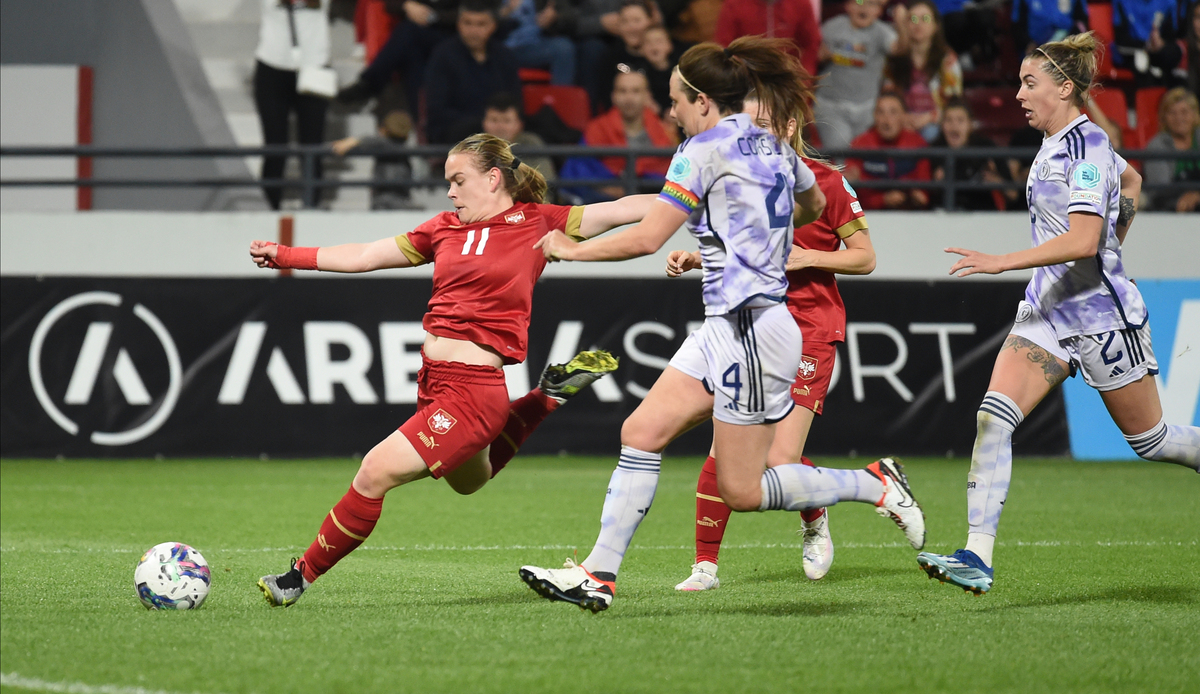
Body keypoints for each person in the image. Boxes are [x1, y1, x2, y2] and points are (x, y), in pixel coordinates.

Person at [518, 37, 925, 613]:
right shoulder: (774, 148)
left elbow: (646, 237)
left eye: (676, 99)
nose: (671, 111)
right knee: (640, 432)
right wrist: (746, 244)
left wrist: (568, 249)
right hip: (725, 327)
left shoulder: (701, 149)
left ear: (703, 100)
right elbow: (808, 208)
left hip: (754, 333)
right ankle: (598, 575)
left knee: (744, 489)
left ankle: (875, 484)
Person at [252, 133, 657, 607]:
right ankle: (544, 398)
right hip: (433, 382)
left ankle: (297, 577)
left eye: (457, 180)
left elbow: (629, 207)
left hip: (474, 392)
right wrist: (287, 256)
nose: (450, 192)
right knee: (470, 482)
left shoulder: (540, 222)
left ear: (491, 179)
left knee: (373, 472)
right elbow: (364, 256)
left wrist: (698, 192)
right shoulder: (443, 228)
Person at [916, 32, 1200, 597]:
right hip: (1046, 312)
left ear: (1064, 88)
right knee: (994, 417)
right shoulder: (1054, 143)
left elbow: (1083, 238)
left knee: (1152, 441)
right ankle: (976, 555)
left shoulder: (1087, 146)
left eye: (1030, 83)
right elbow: (1133, 180)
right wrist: (1115, 238)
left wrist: (1007, 260)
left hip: (1101, 318)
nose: (1019, 95)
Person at [670, 96, 877, 591]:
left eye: (761, 124)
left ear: (787, 125)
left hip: (809, 327)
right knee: (725, 445)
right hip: (750, 324)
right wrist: (698, 259)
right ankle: (706, 567)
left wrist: (807, 259)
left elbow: (866, 258)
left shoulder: (825, 182)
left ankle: (815, 515)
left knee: (777, 458)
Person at [253, 0, 332, 210]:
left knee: (312, 147)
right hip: (272, 65)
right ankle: (269, 209)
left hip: (314, 66)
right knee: (275, 146)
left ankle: (312, 207)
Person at [561, 68, 675, 201]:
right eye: (623, 91)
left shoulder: (665, 132)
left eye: (636, 91)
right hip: (604, 204)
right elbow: (579, 171)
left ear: (647, 96)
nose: (629, 98)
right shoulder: (596, 129)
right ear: (613, 96)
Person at [813, 0, 910, 153]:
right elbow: (811, 53)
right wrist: (820, 56)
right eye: (859, 1)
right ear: (847, 5)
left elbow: (900, 49)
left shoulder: (881, 31)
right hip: (832, 107)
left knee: (861, 156)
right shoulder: (831, 27)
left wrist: (901, 25)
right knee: (841, 153)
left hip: (866, 109)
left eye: (872, 4)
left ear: (879, 10)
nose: (864, 7)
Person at [423, 0, 523, 144]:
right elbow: (437, 110)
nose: (473, 30)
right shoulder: (443, 56)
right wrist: (484, 123)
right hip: (456, 134)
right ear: (458, 24)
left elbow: (515, 102)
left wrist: (503, 122)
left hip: (502, 132)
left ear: (493, 26)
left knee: (532, 142)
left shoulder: (504, 56)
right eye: (467, 23)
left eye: (481, 24)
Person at [335, 0, 459, 112]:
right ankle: (422, 123)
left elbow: (468, 13)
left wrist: (433, 17)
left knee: (408, 31)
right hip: (415, 39)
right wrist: (406, 5)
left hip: (449, 35)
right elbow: (390, 4)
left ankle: (369, 84)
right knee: (412, 55)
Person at [883, 0, 962, 143]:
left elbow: (953, 101)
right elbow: (888, 93)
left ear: (936, 25)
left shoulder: (948, 60)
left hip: (934, 121)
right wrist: (901, 116)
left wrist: (930, 117)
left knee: (930, 133)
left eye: (925, 19)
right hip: (901, 120)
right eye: (912, 19)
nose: (918, 24)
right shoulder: (895, 59)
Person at [844, 91, 931, 210]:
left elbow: (924, 192)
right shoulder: (859, 145)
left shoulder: (918, 144)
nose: (886, 120)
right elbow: (852, 198)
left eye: (893, 112)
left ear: (904, 116)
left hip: (911, 216)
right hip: (871, 217)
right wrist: (882, 200)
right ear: (874, 116)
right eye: (881, 112)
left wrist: (917, 197)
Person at [930, 97, 1011, 211]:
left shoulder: (986, 148)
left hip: (982, 215)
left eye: (960, 120)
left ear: (970, 125)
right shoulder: (934, 149)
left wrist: (995, 180)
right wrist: (935, 184)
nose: (954, 126)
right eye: (949, 120)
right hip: (943, 217)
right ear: (942, 125)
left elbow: (1014, 194)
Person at [329, 109, 421, 209]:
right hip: (389, 198)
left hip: (389, 199)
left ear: (385, 130)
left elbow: (378, 142)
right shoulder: (398, 148)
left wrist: (354, 141)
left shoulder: (387, 145)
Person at [713, 0, 821, 78]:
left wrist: (804, 77)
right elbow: (724, 47)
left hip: (789, 80)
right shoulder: (734, 5)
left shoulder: (800, 4)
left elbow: (811, 44)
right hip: (745, 80)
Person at [1143, 87, 1200, 213]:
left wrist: (1196, 195)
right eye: (1172, 113)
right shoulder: (1156, 147)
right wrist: (1186, 198)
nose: (1179, 118)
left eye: (1184, 112)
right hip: (1171, 210)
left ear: (1194, 114)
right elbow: (1160, 191)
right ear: (1164, 117)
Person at [482, 92, 558, 182]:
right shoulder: (473, 145)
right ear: (483, 123)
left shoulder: (532, 144)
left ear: (519, 124)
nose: (500, 127)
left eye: (506, 121)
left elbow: (545, 181)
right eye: (494, 120)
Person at [1112, 0, 1187, 89]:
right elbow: (1121, 40)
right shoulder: (1122, 2)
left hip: (1158, 50)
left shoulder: (1169, 2)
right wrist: (1147, 45)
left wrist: (1161, 42)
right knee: (1141, 63)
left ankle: (1175, 96)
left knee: (1175, 52)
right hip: (1131, 51)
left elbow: (1170, 36)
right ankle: (1148, 99)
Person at [502, 0, 577, 85]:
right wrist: (504, 13)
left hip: (535, 47)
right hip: (503, 49)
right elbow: (486, 19)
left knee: (564, 47)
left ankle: (559, 97)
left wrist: (555, 17)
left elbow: (572, 19)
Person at [1011, 0, 1089, 55]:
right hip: (1036, 48)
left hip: (1066, 47)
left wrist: (1072, 46)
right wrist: (1028, 44)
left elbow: (1081, 23)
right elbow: (1017, 26)